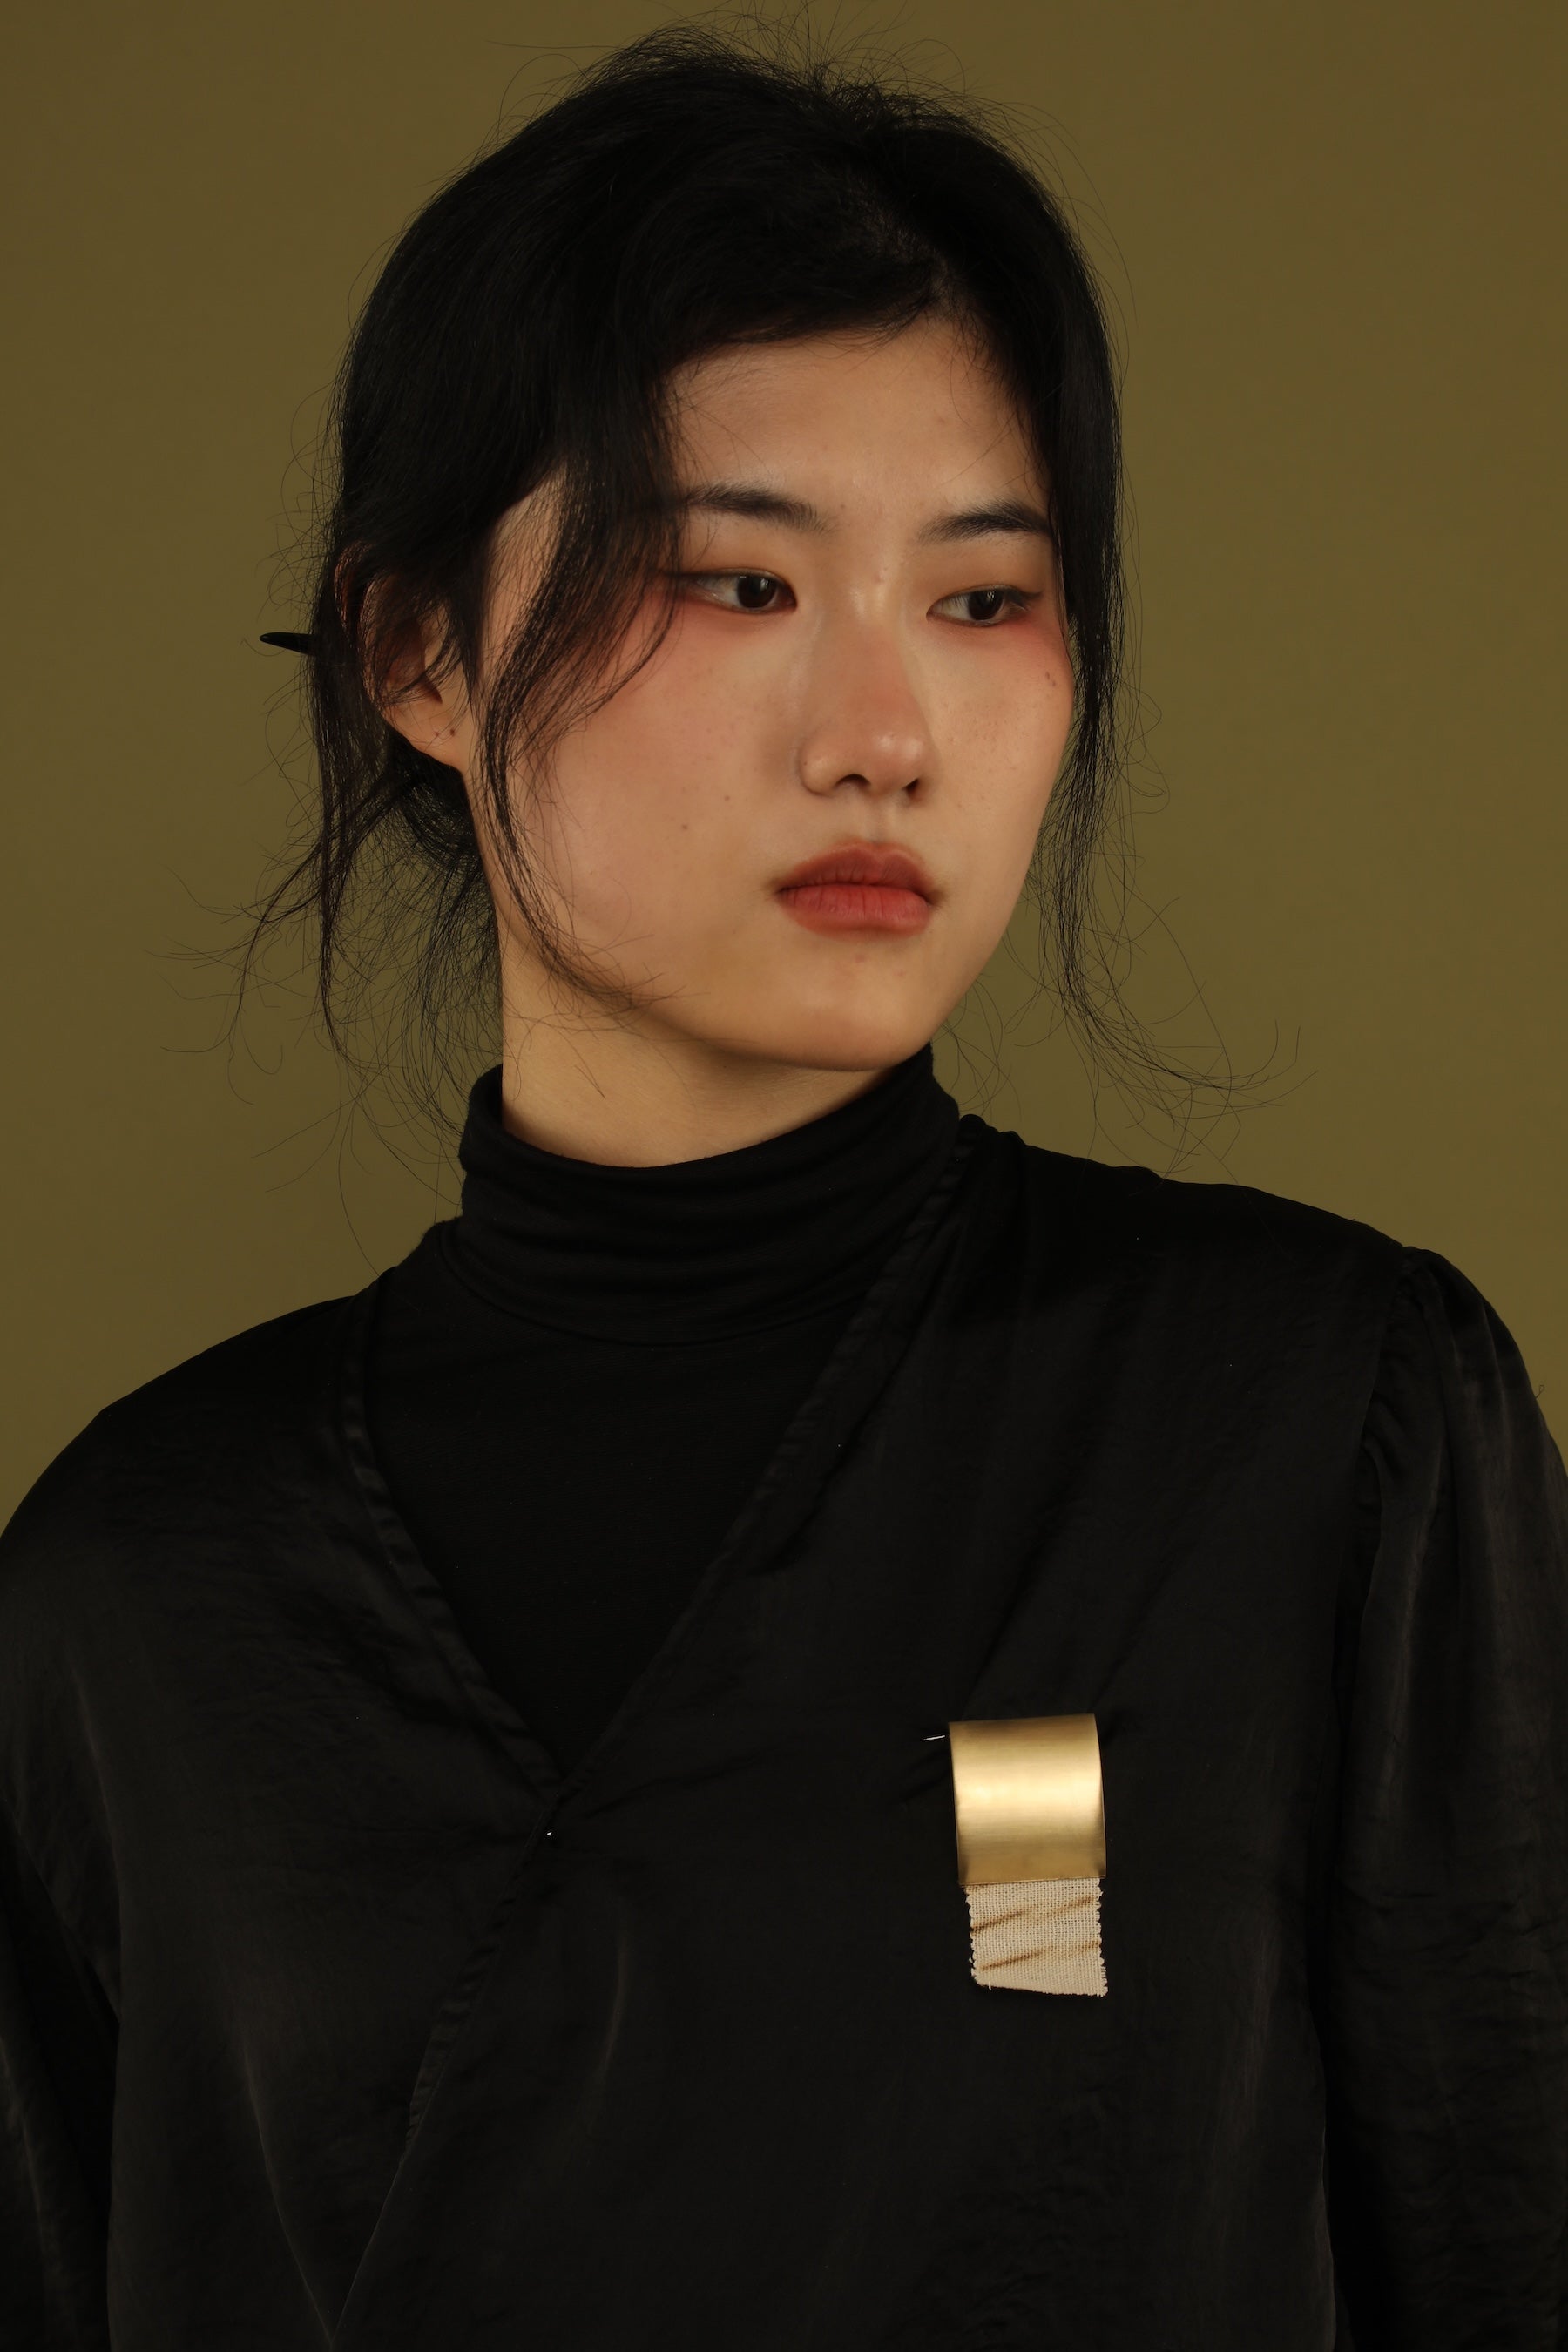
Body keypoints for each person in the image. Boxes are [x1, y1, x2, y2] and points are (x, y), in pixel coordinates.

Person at [3, 25, 1564, 2351]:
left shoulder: (1320, 1425)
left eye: (984, 600)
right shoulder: (137, 1590)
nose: (883, 735)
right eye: (738, 585)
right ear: (418, 649)